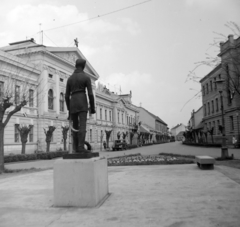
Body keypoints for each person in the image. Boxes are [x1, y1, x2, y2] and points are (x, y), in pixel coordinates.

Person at [65, 58, 96, 153]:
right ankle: (81, 147)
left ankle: (75, 148)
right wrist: (93, 108)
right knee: (82, 125)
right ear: (83, 67)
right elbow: (90, 94)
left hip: (73, 103)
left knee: (75, 126)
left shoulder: (70, 79)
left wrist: (69, 109)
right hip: (82, 102)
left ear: (75, 66)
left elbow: (66, 96)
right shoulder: (86, 78)